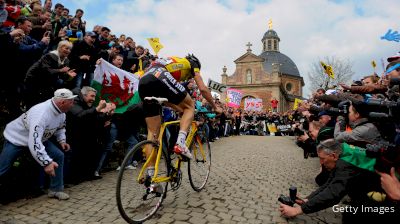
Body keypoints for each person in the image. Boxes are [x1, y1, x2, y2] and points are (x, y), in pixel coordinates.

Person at [138, 55, 222, 178]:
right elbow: (203, 89)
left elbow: (168, 99)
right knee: (191, 105)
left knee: (153, 134)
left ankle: (151, 176)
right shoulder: (192, 64)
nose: (188, 78)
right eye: (190, 77)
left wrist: (180, 109)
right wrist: (215, 106)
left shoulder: (173, 62)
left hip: (144, 81)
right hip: (160, 76)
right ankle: (181, 143)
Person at [0, 88, 76, 200]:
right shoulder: (41, 114)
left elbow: (60, 128)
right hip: (16, 139)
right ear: (62, 102)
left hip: (39, 140)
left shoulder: (62, 113)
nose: (73, 104)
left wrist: (62, 140)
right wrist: (46, 162)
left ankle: (55, 190)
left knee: (59, 155)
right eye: (71, 101)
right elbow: (34, 141)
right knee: (3, 167)